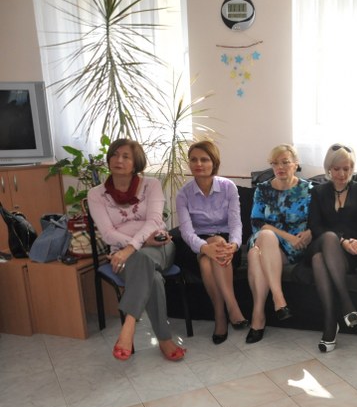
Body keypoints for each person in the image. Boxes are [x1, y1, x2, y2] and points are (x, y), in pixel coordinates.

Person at [87, 138, 186, 362]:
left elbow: (154, 221)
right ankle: (164, 339)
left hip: (158, 247)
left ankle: (129, 325)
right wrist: (137, 246)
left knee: (142, 258)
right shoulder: (96, 194)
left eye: (126, 156)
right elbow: (108, 233)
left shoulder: (151, 185)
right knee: (153, 277)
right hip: (125, 253)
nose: (118, 160)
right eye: (114, 154)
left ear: (136, 162)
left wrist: (130, 248)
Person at [175, 140, 248, 345]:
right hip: (196, 245)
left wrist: (234, 245)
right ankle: (232, 306)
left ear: (214, 162)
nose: (199, 164)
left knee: (210, 259)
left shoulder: (228, 187)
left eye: (204, 159)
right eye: (194, 160)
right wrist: (204, 247)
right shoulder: (183, 194)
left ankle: (220, 316)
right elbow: (186, 232)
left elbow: (235, 223)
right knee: (212, 246)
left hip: (226, 246)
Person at [307, 143, 357, 352]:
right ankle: (346, 302)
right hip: (322, 242)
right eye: (337, 169)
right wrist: (342, 240)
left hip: (351, 255)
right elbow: (315, 226)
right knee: (328, 237)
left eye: (347, 168)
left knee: (319, 260)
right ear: (329, 168)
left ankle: (330, 324)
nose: (342, 174)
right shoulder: (318, 191)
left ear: (352, 168)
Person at [246, 144, 312, 344]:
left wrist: (309, 233)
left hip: (293, 246)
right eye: (275, 163)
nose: (280, 167)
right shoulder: (263, 189)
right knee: (266, 236)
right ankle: (278, 298)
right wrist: (287, 236)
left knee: (253, 256)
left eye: (285, 162)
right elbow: (257, 222)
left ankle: (258, 316)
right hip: (265, 238)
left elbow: (319, 220)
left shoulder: (307, 189)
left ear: (296, 164)